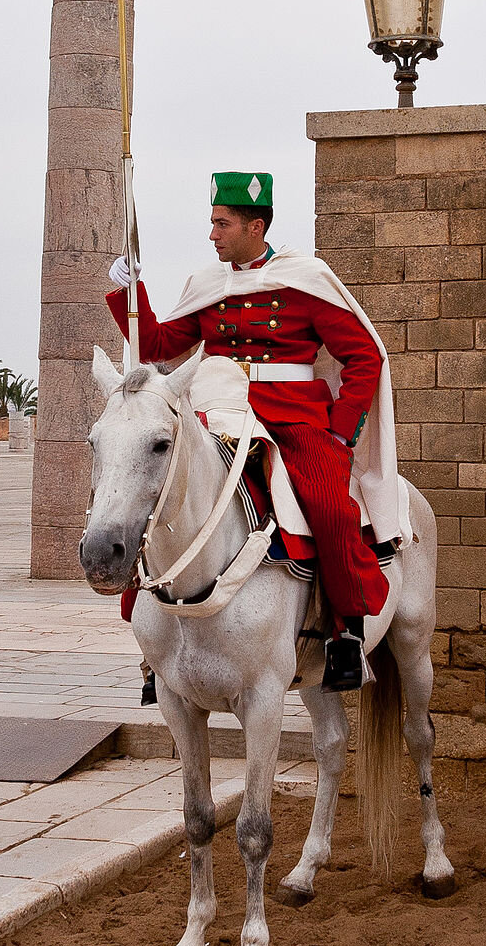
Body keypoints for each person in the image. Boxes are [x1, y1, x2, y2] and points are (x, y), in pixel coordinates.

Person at [106, 170, 399, 692]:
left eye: (222, 224)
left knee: (328, 504)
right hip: (216, 410)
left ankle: (346, 632)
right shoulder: (208, 287)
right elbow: (156, 346)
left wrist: (339, 432)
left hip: (293, 417)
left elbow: (364, 356)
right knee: (157, 487)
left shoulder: (304, 281)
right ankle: (150, 635)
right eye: (212, 223)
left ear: (255, 226)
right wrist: (128, 292)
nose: (212, 234)